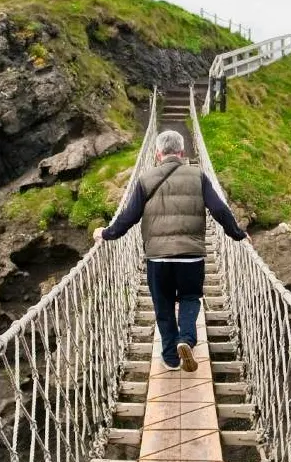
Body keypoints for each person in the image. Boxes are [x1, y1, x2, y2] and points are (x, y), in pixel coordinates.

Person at [94, 130, 247, 372]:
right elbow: (219, 209)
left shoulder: (145, 179)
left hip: (158, 257)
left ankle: (171, 358)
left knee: (163, 306)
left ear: (157, 154)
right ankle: (186, 339)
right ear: (182, 153)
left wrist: (106, 233)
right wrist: (237, 234)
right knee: (189, 298)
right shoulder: (198, 175)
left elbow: (129, 216)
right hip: (191, 255)